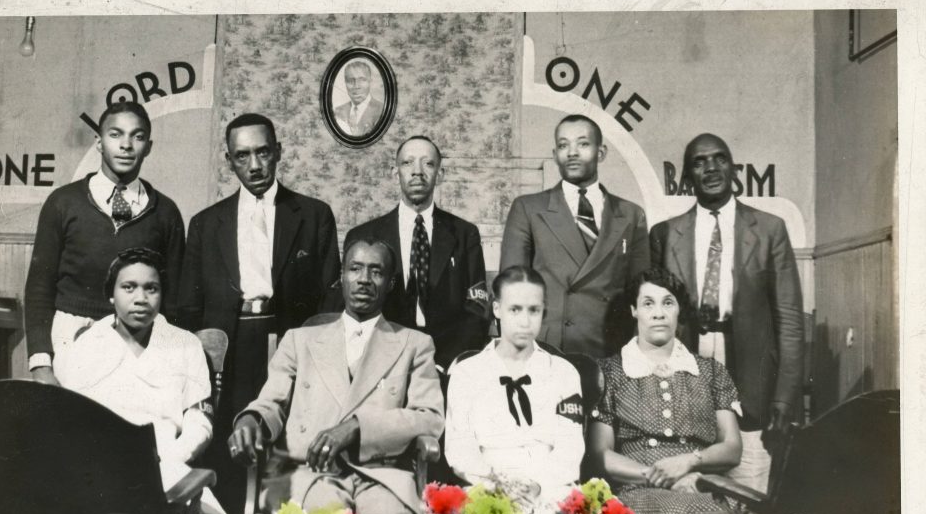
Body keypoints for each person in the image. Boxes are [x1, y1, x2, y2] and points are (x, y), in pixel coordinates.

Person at [228, 237, 444, 514]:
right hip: (316, 474)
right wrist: (250, 419)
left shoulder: (414, 344)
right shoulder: (301, 340)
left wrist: (359, 426)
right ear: (341, 277)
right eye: (355, 268)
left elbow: (429, 417)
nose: (364, 279)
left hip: (383, 475)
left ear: (391, 283)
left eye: (376, 271)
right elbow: (272, 402)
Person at [178, 112, 340, 514]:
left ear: (278, 153)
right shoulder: (206, 224)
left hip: (289, 342)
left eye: (263, 152)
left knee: (287, 445)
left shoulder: (313, 215)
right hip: (229, 349)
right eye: (243, 155)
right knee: (232, 444)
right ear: (229, 161)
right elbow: (189, 308)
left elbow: (330, 303)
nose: (255, 164)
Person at [649, 133, 803, 494]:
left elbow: (790, 320)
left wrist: (784, 396)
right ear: (687, 177)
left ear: (733, 168)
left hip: (751, 377)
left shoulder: (769, 230)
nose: (711, 168)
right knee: (688, 490)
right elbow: (652, 319)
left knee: (749, 488)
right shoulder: (665, 234)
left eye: (719, 158)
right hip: (687, 371)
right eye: (699, 162)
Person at [55, 247, 231, 514]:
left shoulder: (185, 344)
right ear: (111, 295)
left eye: (151, 288)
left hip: (163, 462)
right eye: (128, 287)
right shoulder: (87, 345)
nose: (140, 298)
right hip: (96, 465)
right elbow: (70, 418)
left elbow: (199, 421)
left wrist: (168, 458)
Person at [589, 267, 742, 514]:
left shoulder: (711, 371)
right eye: (648, 303)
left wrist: (690, 462)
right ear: (634, 311)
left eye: (667, 302)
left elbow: (732, 448)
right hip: (640, 490)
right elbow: (600, 455)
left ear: (678, 311)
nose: (658, 311)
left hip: (702, 484)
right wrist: (660, 475)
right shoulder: (610, 372)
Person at [24, 101, 185, 384]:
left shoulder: (166, 212)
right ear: (98, 142)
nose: (126, 145)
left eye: (137, 136)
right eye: (115, 134)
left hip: (138, 345)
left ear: (148, 146)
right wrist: (41, 364)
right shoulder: (62, 203)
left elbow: (171, 301)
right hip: (69, 343)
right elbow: (39, 289)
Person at [445, 266, 585, 514]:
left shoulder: (563, 372)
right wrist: (500, 482)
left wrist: (537, 484)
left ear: (544, 311)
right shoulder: (467, 372)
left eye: (533, 310)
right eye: (515, 309)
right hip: (489, 484)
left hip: (548, 486)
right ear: (496, 309)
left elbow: (570, 446)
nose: (525, 321)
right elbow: (460, 447)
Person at [500, 114, 649, 358]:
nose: (571, 152)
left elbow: (641, 293)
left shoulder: (631, 215)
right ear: (554, 154)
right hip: (548, 349)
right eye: (563, 145)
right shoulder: (528, 208)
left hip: (611, 347)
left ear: (601, 153)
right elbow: (512, 289)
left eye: (582, 143)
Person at [341, 135, 490, 370]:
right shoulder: (363, 236)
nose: (417, 171)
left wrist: (446, 363)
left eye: (428, 164)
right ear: (394, 172)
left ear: (440, 174)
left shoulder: (464, 234)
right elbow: (351, 311)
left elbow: (477, 310)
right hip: (380, 361)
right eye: (408, 163)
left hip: (445, 361)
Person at [332, 59, 384, 137]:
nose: (356, 86)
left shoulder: (381, 110)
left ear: (370, 82)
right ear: (345, 83)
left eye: (362, 80)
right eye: (350, 81)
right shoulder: (338, 111)